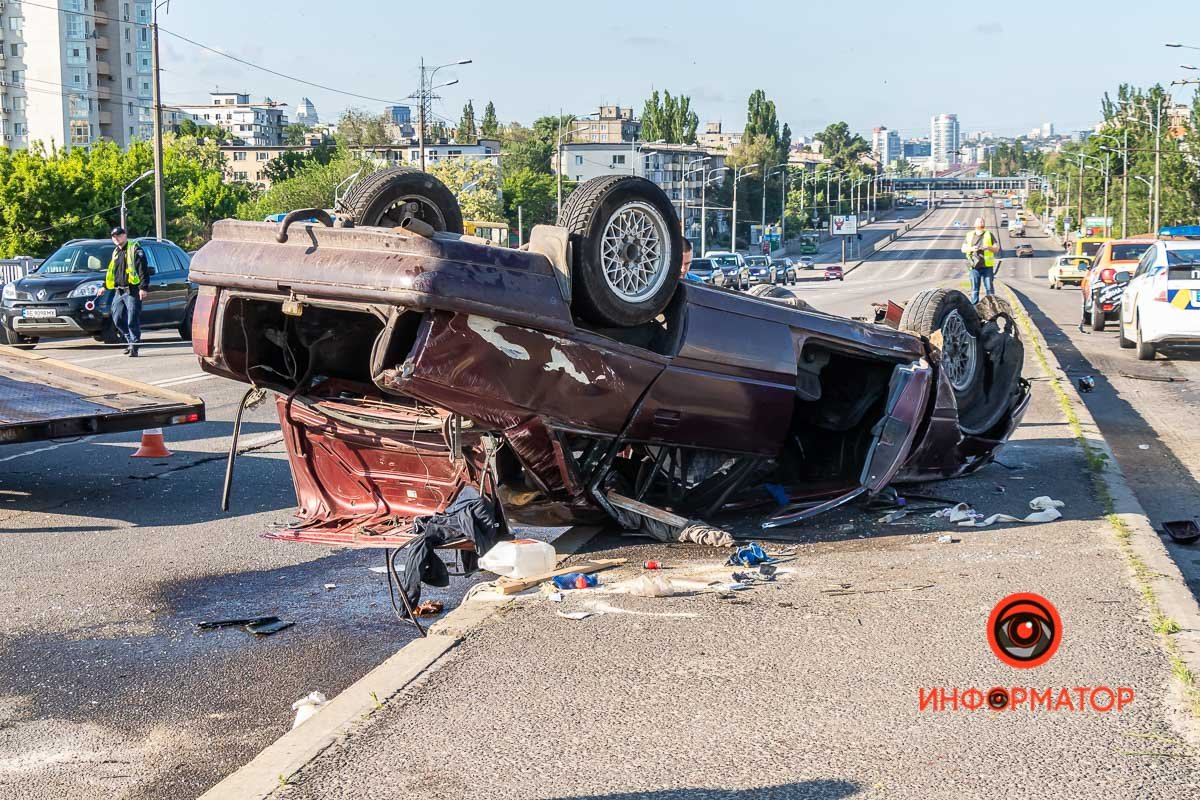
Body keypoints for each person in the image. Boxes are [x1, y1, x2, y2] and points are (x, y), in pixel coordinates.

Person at [97, 226, 149, 357]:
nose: (116, 238)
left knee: (132, 319)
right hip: (119, 291)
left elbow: (143, 270)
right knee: (117, 318)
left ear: (125, 235)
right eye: (114, 236)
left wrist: (143, 288)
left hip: (132, 290)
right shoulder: (115, 252)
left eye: (119, 235)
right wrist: (104, 286)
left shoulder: (135, 249)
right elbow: (111, 272)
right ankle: (129, 341)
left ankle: (134, 347)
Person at [961, 216, 999, 303]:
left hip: (987, 266)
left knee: (989, 289)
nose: (981, 223)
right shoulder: (969, 235)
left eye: (982, 222)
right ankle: (975, 309)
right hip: (974, 267)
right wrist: (971, 249)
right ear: (975, 224)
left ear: (984, 224)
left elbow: (996, 249)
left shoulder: (989, 234)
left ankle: (991, 308)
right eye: (979, 222)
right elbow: (963, 249)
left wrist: (988, 247)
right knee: (974, 289)